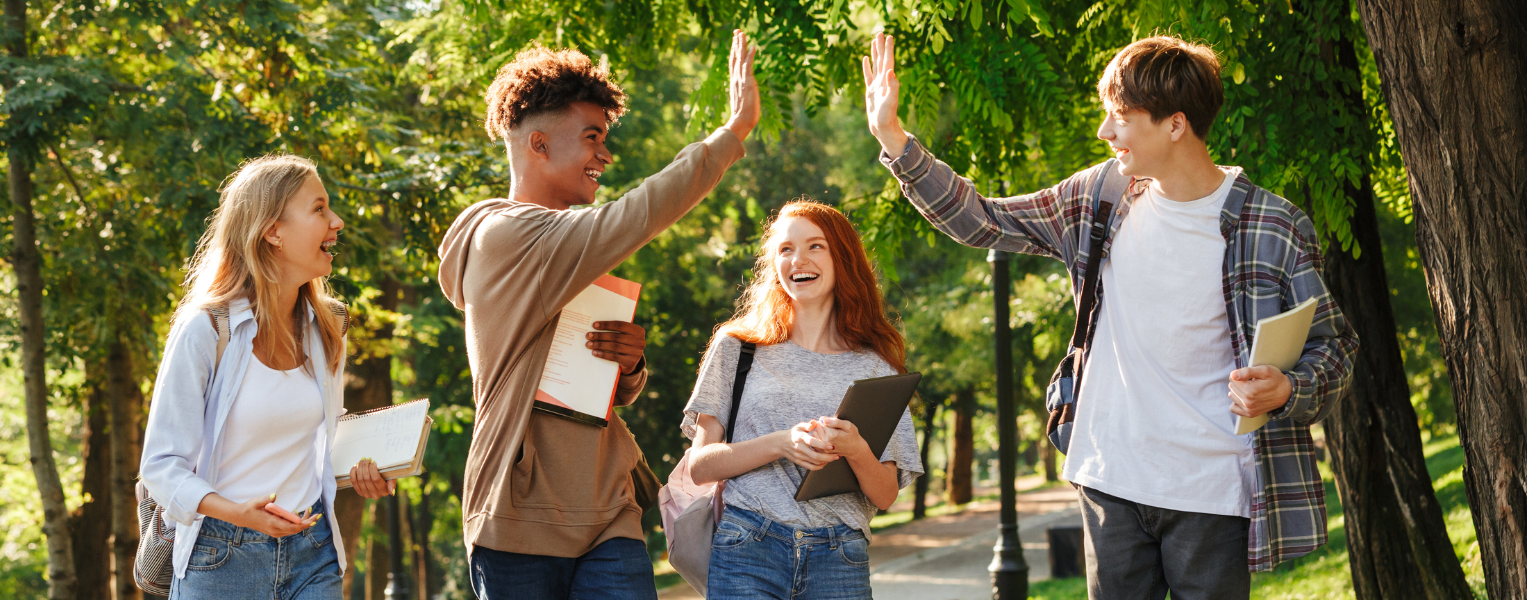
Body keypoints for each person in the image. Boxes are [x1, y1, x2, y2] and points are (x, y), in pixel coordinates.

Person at [861, 33, 1359, 598]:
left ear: (1175, 124)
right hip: (1109, 480)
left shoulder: (1273, 226)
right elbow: (984, 222)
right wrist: (895, 141)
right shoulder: (1101, 195)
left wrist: (1286, 388)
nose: (1105, 132)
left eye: (1120, 118)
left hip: (1212, 490)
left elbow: (1335, 347)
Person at [435, 31, 761, 600]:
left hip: (607, 513)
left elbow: (600, 388)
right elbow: (637, 213)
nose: (605, 155)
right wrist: (731, 135)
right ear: (538, 144)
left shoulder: (569, 250)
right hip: (520, 518)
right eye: (592, 138)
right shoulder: (506, 234)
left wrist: (629, 364)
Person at [140, 155, 396, 598]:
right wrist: (239, 513)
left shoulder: (329, 326)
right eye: (318, 209)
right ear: (272, 230)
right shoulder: (206, 329)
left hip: (313, 552)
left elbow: (313, 444)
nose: (335, 222)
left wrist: (368, 467)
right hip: (219, 560)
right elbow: (161, 467)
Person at [679, 200, 924, 600]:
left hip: (840, 557)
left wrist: (856, 449)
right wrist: (782, 444)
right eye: (785, 249)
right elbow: (700, 467)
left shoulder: (876, 367)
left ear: (842, 258)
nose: (798, 259)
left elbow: (886, 495)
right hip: (747, 547)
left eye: (815, 246)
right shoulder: (738, 348)